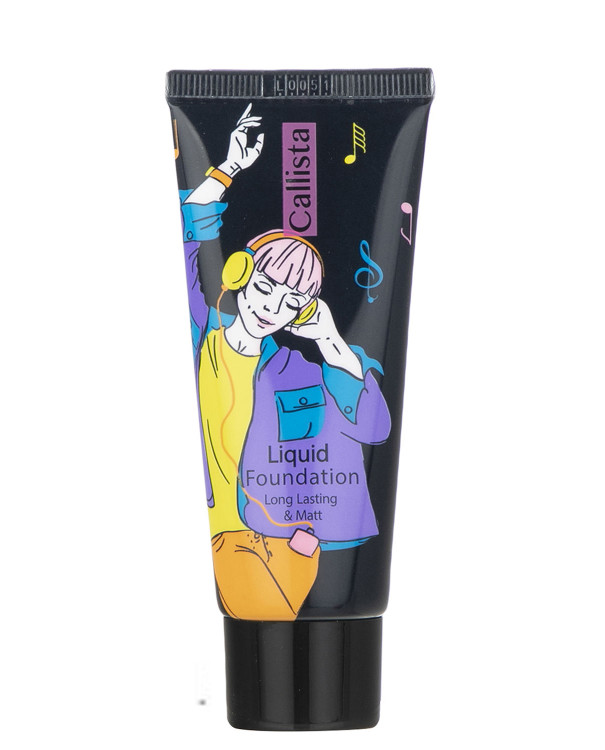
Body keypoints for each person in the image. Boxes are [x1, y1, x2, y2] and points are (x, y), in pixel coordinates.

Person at [179, 105, 391, 620]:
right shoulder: (206, 332)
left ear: (303, 312)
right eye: (266, 286)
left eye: (291, 301)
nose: (271, 306)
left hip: (287, 542)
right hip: (228, 537)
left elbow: (374, 427)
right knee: (253, 610)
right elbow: (192, 227)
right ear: (240, 274)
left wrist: (332, 341)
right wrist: (228, 167)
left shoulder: (298, 370)